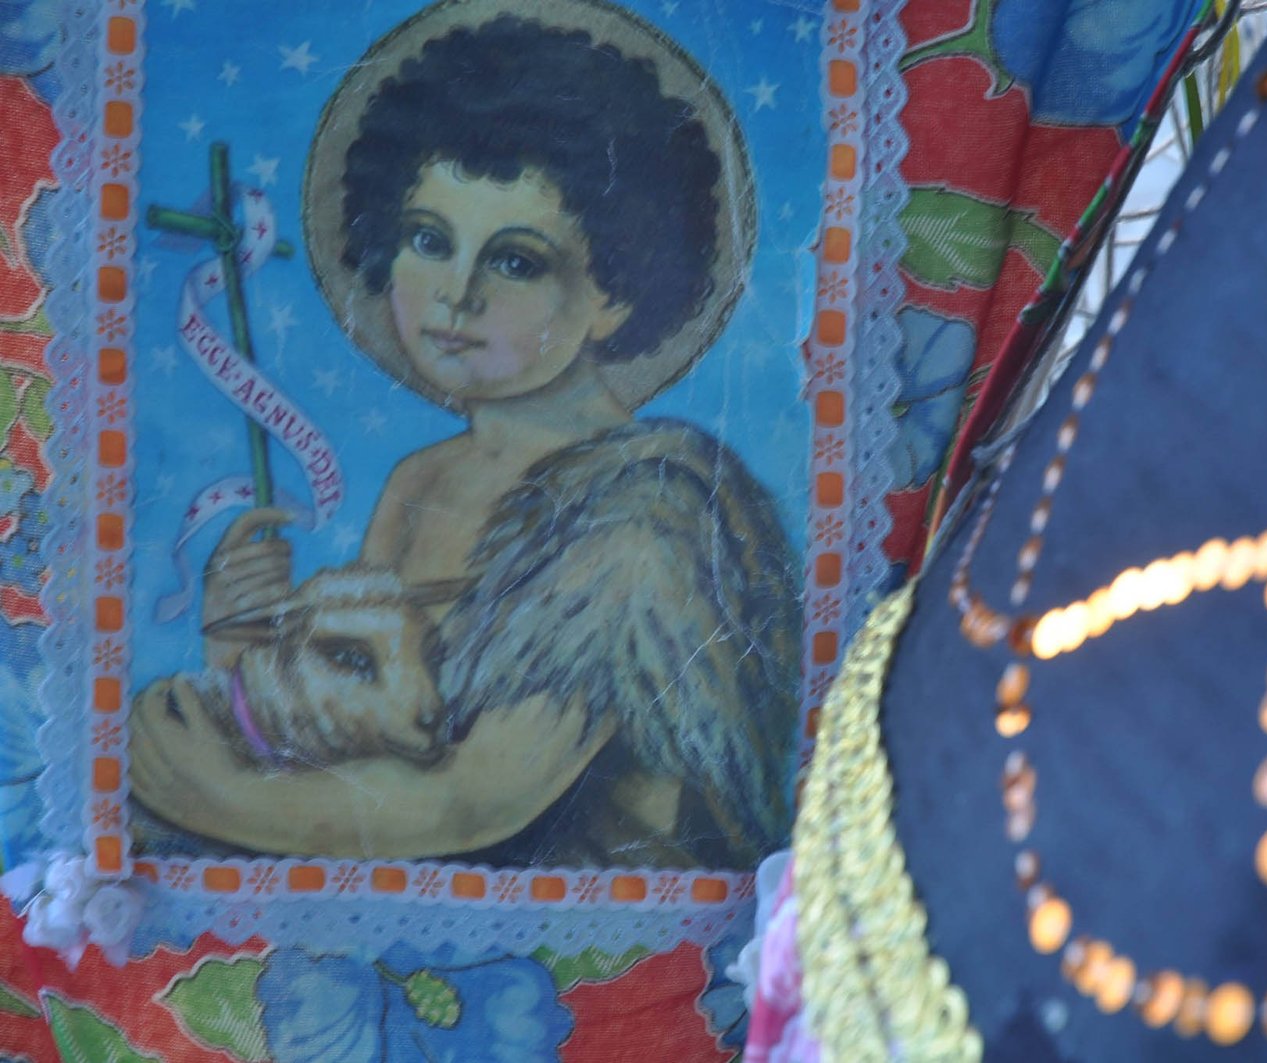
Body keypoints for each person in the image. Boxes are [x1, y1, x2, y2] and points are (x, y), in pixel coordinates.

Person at [129, 13, 799, 870]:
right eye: (428, 241)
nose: (456, 293)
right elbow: (372, 733)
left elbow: (479, 800)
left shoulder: (647, 513)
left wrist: (211, 792)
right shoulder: (422, 479)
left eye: (515, 260)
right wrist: (246, 640)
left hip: (576, 909)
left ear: (616, 293)